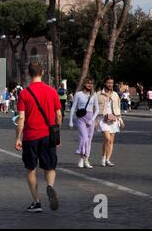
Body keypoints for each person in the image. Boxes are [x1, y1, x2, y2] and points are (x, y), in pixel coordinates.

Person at [15, 62, 62, 213]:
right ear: (42, 72)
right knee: (50, 167)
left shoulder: (24, 93)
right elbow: (59, 115)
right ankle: (50, 186)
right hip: (48, 135)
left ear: (29, 74)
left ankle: (36, 202)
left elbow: (21, 118)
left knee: (31, 168)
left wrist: (18, 138)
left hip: (30, 136)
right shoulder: (52, 91)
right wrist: (57, 132)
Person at [69, 77, 100, 169]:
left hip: (91, 118)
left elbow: (97, 109)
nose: (90, 85)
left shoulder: (94, 95)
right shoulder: (78, 94)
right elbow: (73, 108)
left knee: (89, 140)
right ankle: (80, 152)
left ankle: (85, 159)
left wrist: (92, 120)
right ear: (84, 84)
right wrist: (70, 120)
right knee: (84, 138)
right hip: (81, 118)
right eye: (88, 83)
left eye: (91, 83)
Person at [97, 76, 124, 167]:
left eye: (112, 83)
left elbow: (118, 108)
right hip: (102, 119)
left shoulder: (115, 95)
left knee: (111, 141)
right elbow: (94, 108)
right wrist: (94, 120)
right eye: (108, 83)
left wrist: (120, 119)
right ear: (105, 83)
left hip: (113, 119)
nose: (110, 85)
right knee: (107, 139)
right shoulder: (98, 94)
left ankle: (107, 159)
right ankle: (103, 157)